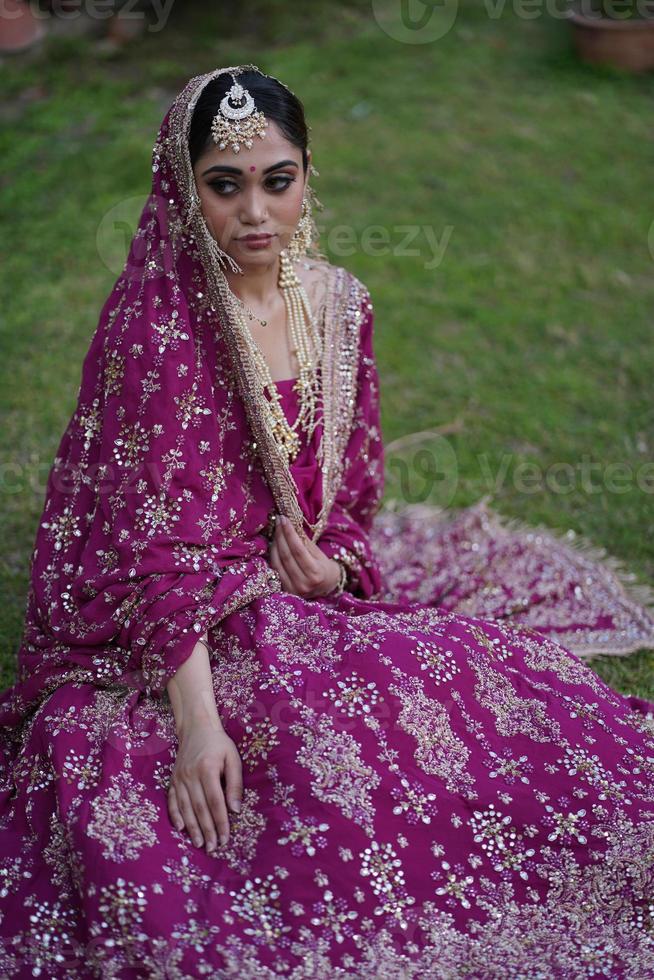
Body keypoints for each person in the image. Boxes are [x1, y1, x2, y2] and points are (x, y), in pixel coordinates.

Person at [1, 64, 653, 978]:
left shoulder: (339, 303)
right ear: (182, 189)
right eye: (224, 186)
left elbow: (353, 492)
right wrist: (197, 727)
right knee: (310, 753)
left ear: (308, 171)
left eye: (278, 179)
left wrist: (338, 570)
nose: (256, 212)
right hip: (180, 628)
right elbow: (149, 546)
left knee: (469, 680)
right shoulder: (158, 328)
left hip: (297, 594)